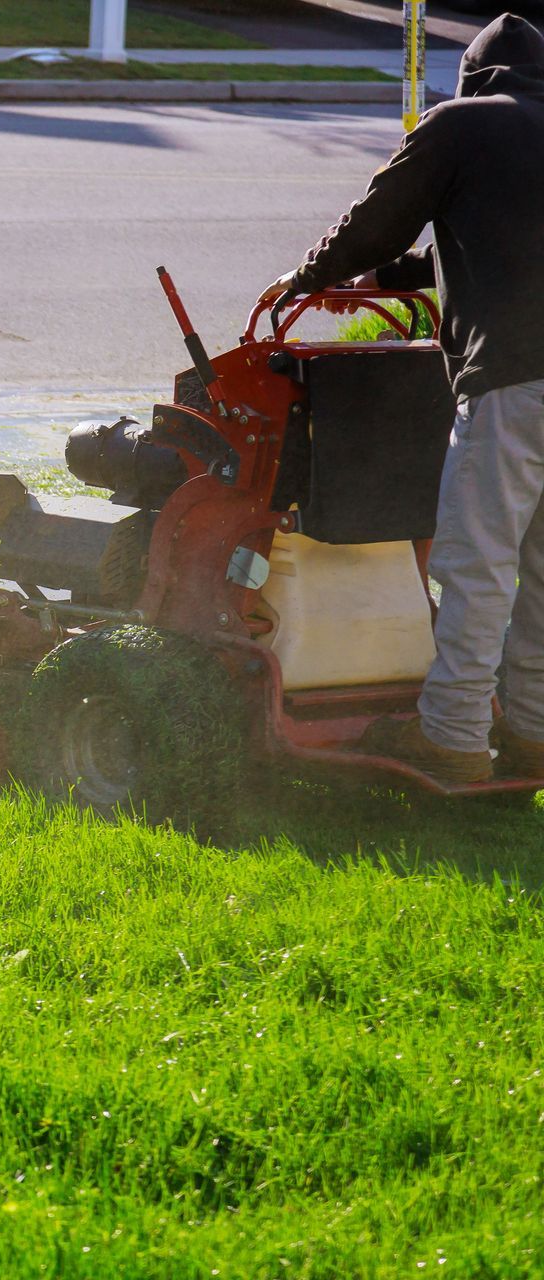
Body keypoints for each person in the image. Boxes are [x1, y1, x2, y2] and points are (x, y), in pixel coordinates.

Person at [269, 13, 544, 784]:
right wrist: (395, 281)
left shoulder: (457, 125)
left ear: (472, 78)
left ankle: (453, 734)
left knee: (478, 562)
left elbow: (377, 222)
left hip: (517, 381)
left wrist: (307, 278)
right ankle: (532, 734)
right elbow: (498, 230)